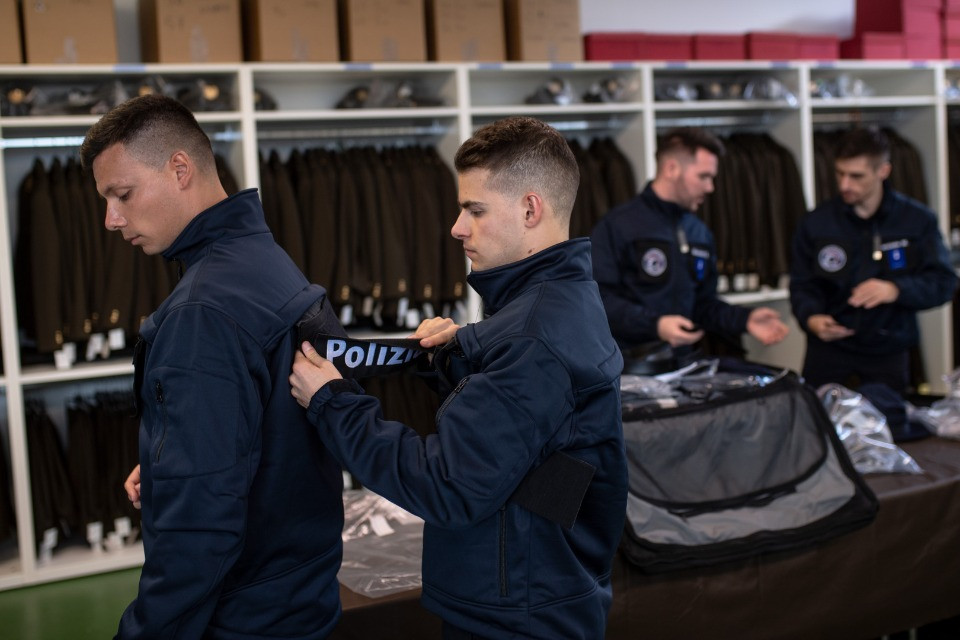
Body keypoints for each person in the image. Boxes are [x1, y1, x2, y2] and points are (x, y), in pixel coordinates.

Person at [289, 116, 627, 640]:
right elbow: (535, 449)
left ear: (530, 208)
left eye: (475, 209)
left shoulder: (530, 337)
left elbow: (447, 486)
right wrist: (458, 357)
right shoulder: (557, 303)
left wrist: (332, 403)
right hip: (541, 592)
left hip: (519, 616)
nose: (456, 227)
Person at [80, 94, 345, 639]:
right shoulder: (266, 258)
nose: (111, 219)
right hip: (300, 592)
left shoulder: (202, 311)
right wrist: (166, 461)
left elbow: (199, 528)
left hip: (243, 614)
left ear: (179, 169)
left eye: (122, 194)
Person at [590, 127, 788, 364]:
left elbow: (702, 305)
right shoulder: (617, 226)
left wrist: (744, 319)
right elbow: (598, 300)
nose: (710, 187)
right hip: (629, 367)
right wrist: (656, 325)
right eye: (703, 177)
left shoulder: (699, 232)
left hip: (684, 365)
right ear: (672, 168)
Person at [789, 126, 958, 395]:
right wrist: (811, 317)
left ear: (883, 171)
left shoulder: (916, 220)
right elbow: (802, 284)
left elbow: (943, 283)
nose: (845, 185)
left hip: (888, 352)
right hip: (828, 352)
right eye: (840, 173)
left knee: (888, 430)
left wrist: (895, 290)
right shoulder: (816, 223)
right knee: (819, 431)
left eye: (856, 176)